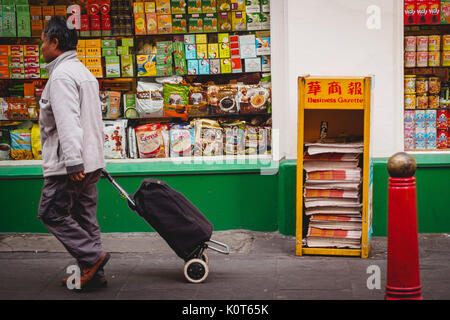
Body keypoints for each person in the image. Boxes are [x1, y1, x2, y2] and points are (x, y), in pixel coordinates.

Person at [38, 16, 110, 290]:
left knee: (51, 212)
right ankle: (94, 273)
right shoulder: (83, 72)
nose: (41, 46)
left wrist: (73, 161)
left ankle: (93, 258)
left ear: (55, 42)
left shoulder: (61, 76)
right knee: (84, 216)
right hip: (90, 161)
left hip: (72, 164)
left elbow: (68, 122)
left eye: (43, 41)